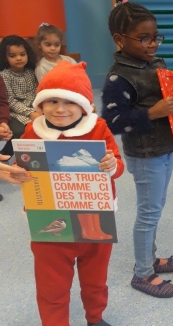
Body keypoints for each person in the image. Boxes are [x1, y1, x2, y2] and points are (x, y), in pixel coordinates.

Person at [101, 0, 173, 298]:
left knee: (157, 206)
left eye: (155, 37)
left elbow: (170, 96)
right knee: (148, 212)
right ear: (119, 39)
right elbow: (112, 121)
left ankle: (149, 259)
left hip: (164, 146)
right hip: (144, 154)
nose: (152, 44)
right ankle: (142, 273)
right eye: (144, 38)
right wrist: (153, 113)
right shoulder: (118, 77)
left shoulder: (155, 63)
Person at [22, 61, 124, 326]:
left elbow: (119, 165)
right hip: (48, 224)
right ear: (40, 104)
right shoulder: (33, 131)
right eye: (51, 101)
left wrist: (112, 165)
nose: (60, 109)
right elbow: (19, 166)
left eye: (69, 101)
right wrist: (15, 171)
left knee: (95, 280)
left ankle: (95, 318)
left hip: (95, 220)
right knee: (51, 287)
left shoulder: (98, 128)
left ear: (84, 104)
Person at [0, 35, 41, 159]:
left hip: (31, 108)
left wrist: (37, 109)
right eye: (12, 56)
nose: (19, 58)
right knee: (21, 130)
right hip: (14, 111)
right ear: (5, 57)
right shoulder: (5, 75)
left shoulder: (30, 72)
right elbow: (9, 101)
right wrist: (30, 113)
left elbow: (35, 92)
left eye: (22, 54)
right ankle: (6, 154)